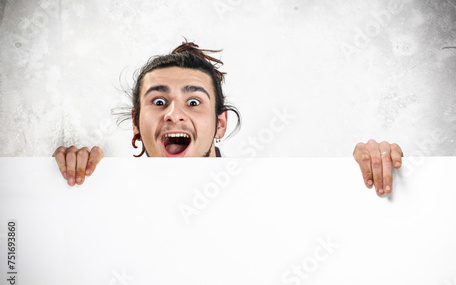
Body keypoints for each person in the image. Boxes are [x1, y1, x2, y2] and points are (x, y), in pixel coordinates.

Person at [53, 40, 403, 196]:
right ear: (136, 123)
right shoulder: (108, 199)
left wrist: (367, 171)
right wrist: (66, 187)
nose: (174, 113)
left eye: (193, 102)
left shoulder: (271, 196)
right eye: (159, 101)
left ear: (220, 124)